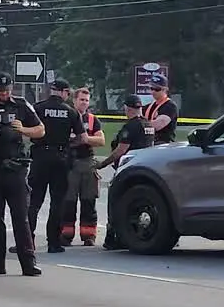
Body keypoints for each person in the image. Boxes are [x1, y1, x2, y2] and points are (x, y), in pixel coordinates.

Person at [0, 72, 45, 277]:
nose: (3, 94)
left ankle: (28, 263)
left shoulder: (21, 105)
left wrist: (24, 130)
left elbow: (41, 130)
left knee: (21, 217)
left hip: (15, 169)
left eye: (6, 90)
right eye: (0, 90)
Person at [27, 79, 87, 253]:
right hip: (61, 158)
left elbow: (26, 129)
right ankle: (53, 242)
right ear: (65, 92)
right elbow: (82, 138)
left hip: (40, 156)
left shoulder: (37, 108)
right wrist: (68, 143)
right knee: (57, 201)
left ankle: (27, 241)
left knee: (34, 201)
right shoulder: (71, 111)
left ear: (52, 90)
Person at [97, 94, 154, 250]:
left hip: (128, 169)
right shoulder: (148, 124)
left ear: (126, 108)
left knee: (116, 202)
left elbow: (120, 150)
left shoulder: (131, 126)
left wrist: (102, 164)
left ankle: (113, 238)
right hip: (145, 169)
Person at [61, 88, 105, 245]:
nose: (84, 103)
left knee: (88, 201)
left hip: (87, 162)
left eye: (87, 100)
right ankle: (66, 235)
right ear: (74, 101)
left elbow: (101, 141)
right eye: (82, 100)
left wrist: (85, 139)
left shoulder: (92, 119)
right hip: (70, 163)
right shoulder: (67, 116)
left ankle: (88, 236)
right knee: (68, 201)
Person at [142, 75, 179, 145]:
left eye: (157, 89)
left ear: (165, 89)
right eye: (151, 88)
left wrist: (138, 127)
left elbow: (157, 126)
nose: (153, 92)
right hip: (148, 143)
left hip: (164, 145)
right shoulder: (148, 106)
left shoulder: (170, 106)